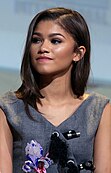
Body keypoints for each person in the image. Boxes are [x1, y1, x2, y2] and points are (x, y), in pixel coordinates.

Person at [0, 7, 111, 173]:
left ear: (78, 53)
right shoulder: (9, 108)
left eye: (55, 41)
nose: (43, 47)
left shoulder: (98, 110)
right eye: (36, 40)